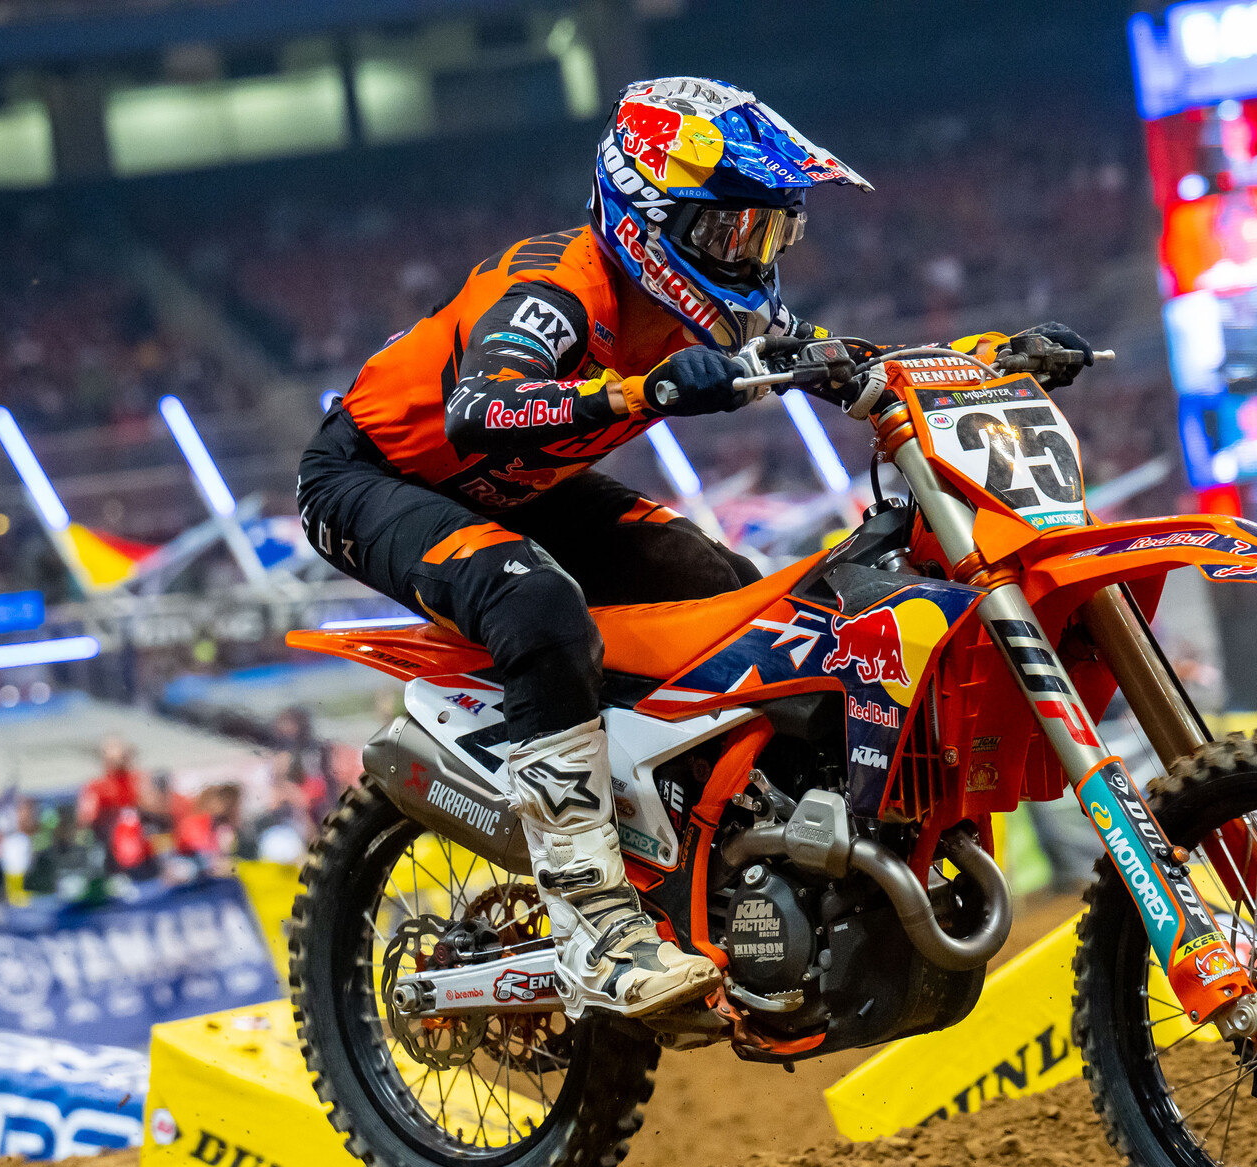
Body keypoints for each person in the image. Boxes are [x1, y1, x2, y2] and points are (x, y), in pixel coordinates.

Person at [300, 76, 1087, 1017]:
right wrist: (643, 393)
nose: (749, 258)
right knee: (537, 605)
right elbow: (483, 410)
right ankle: (593, 916)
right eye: (729, 234)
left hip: (530, 484)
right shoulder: (554, 285)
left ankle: (714, 858)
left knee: (729, 594)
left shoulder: (723, 306)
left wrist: (991, 359)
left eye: (766, 235)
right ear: (647, 215)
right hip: (379, 477)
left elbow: (852, 363)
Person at [76, 737, 143, 838]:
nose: (118, 761)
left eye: (123, 756)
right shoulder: (96, 786)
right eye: (113, 759)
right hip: (110, 836)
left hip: (139, 835)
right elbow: (86, 817)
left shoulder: (138, 779)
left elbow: (152, 804)